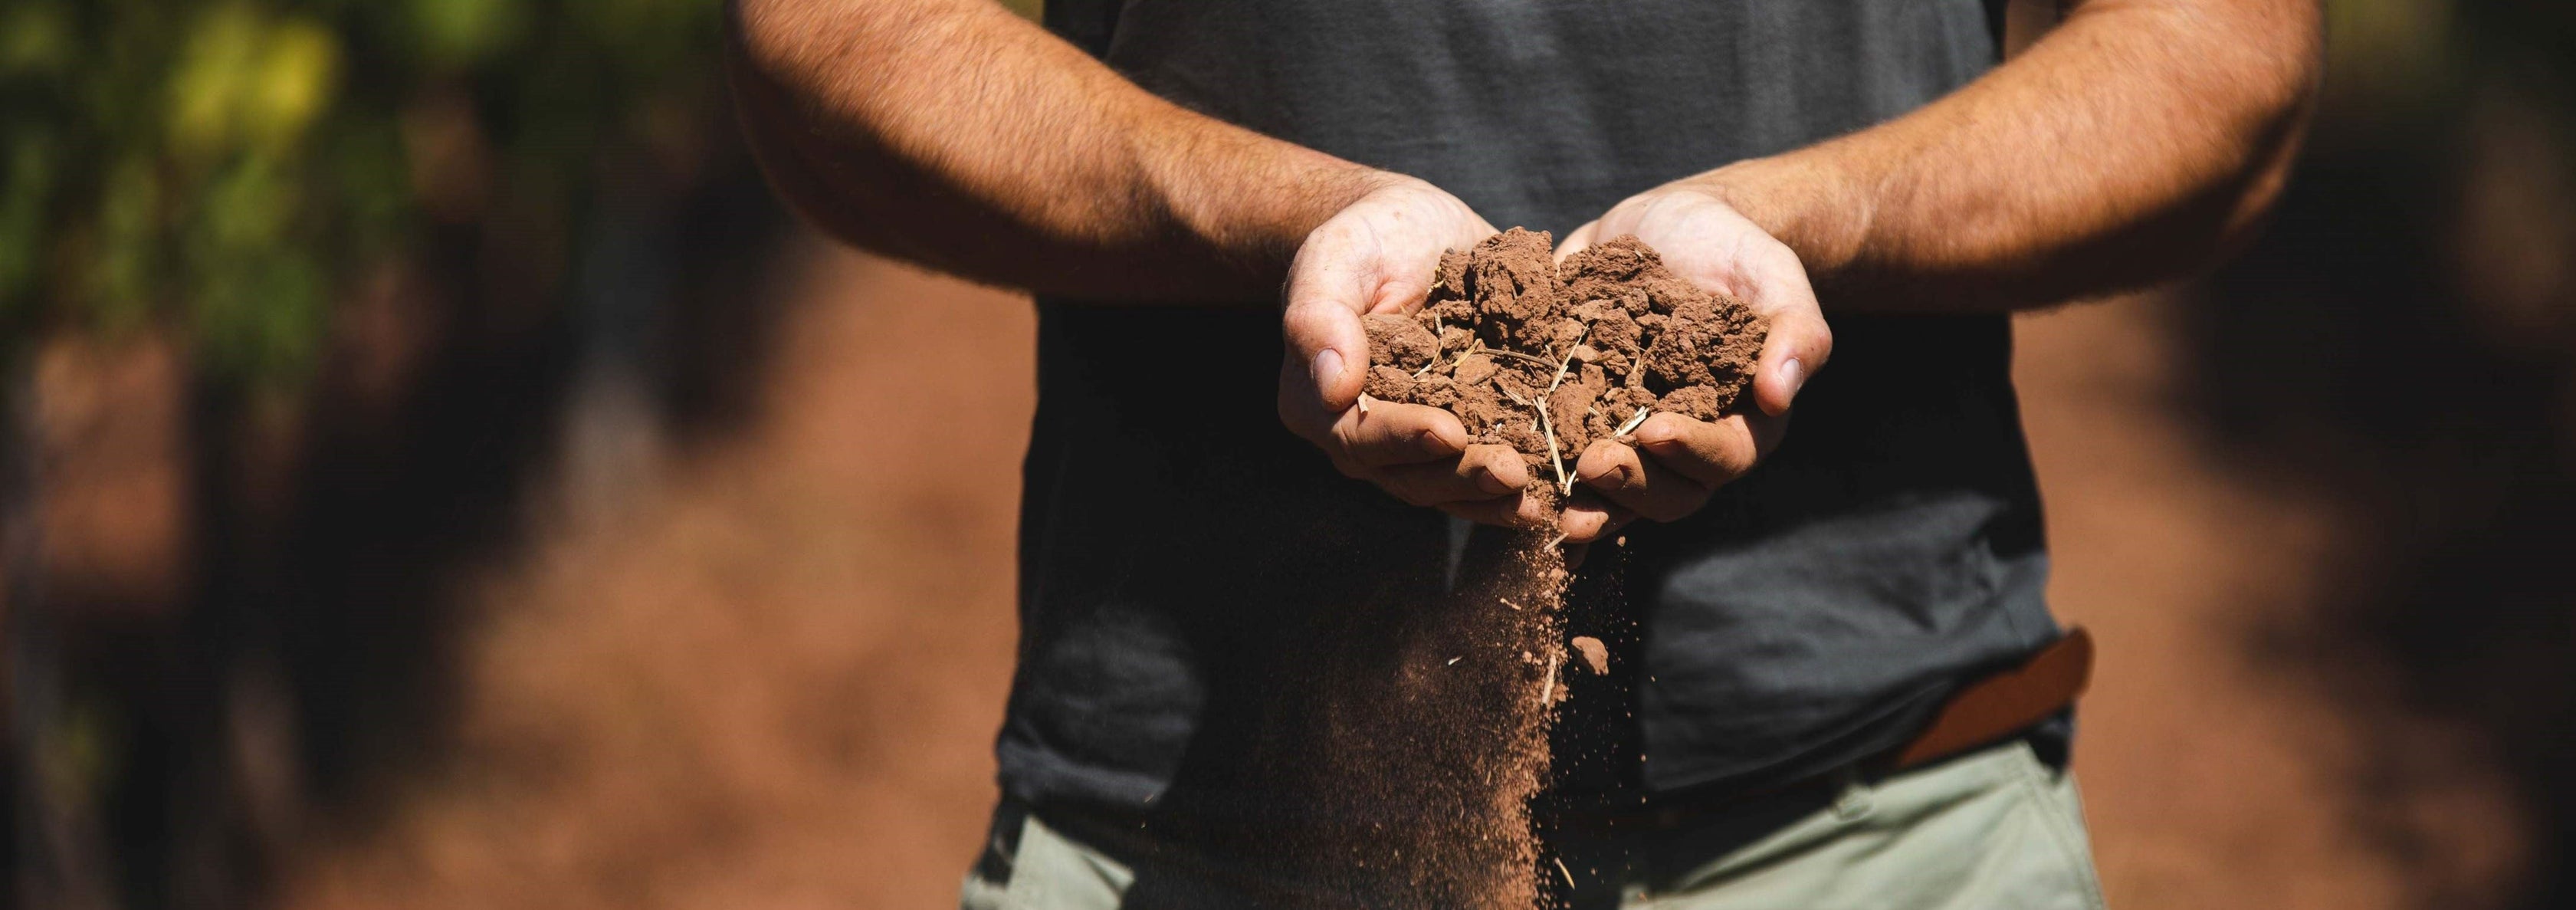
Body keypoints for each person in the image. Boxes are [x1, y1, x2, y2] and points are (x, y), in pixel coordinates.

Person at [727, 0, 2318, 906]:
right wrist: (1278, 216)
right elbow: (836, 38)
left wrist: (1808, 219)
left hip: (1878, 833)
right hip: (1195, 838)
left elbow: (2219, 57)